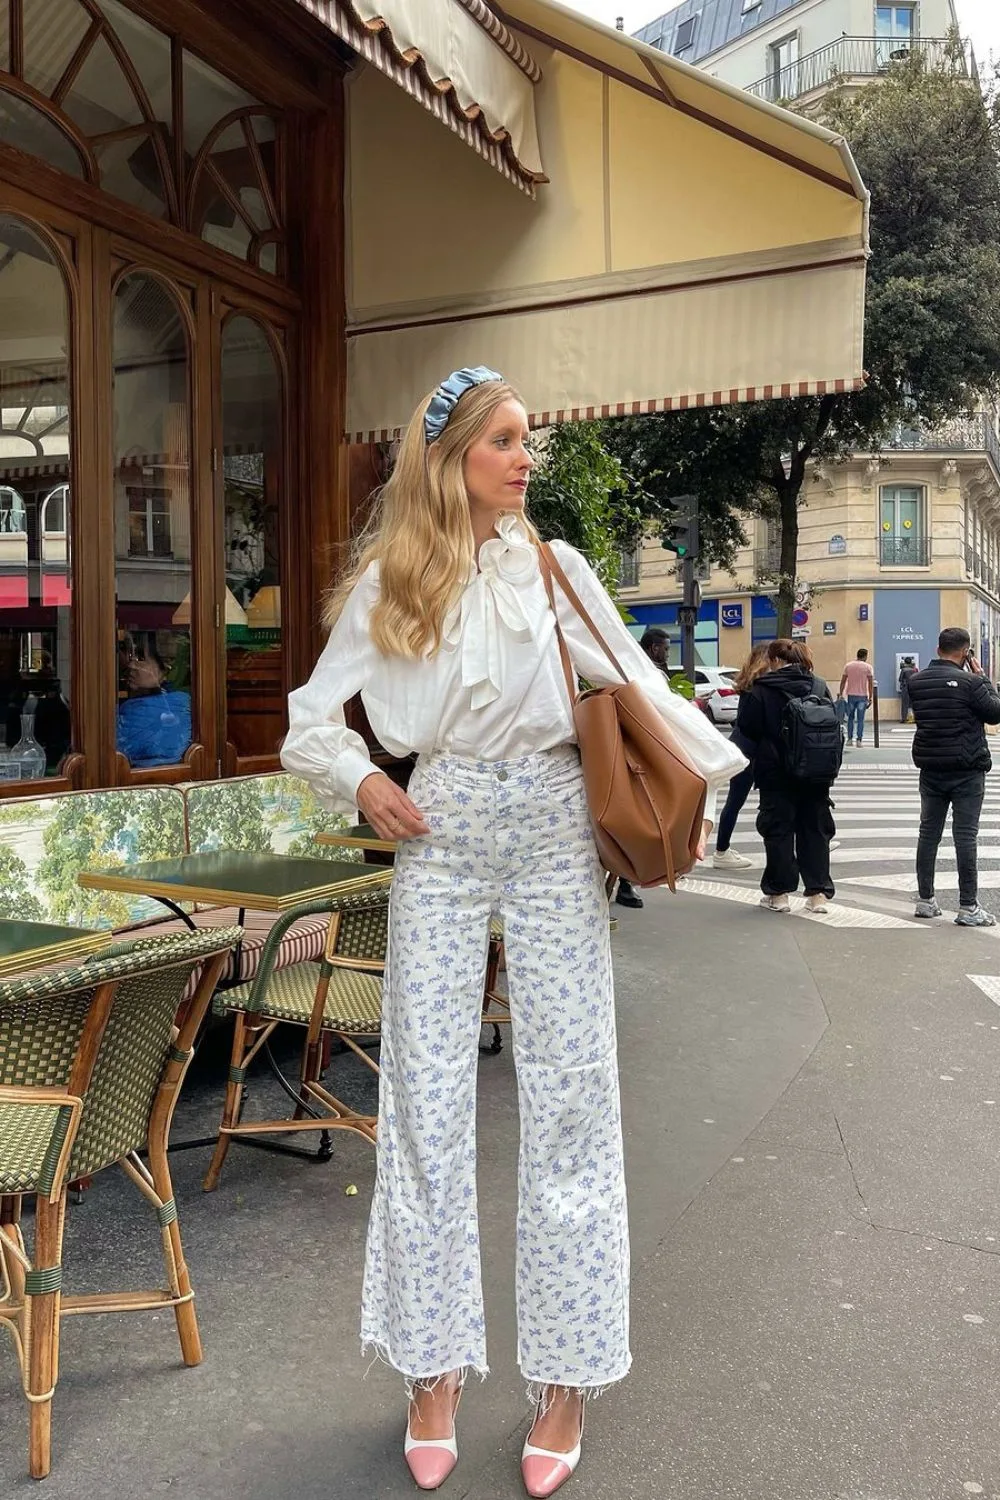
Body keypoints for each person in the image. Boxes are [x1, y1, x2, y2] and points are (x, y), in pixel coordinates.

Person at [280, 367, 745, 1497]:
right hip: (438, 825)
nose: (525, 457)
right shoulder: (392, 580)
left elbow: (633, 683)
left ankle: (567, 1377)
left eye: (528, 440)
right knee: (425, 1099)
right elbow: (306, 720)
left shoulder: (555, 569)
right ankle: (431, 1371)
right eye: (504, 440)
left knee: (573, 1094)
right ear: (450, 459)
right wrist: (360, 782)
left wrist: (717, 780)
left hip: (548, 826)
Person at [735, 638, 839, 914]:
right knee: (815, 831)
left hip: (776, 772)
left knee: (778, 830)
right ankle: (818, 894)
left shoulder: (762, 689)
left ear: (774, 661)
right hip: (815, 771)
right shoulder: (818, 685)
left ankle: (779, 894)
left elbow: (747, 728)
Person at [907, 626, 1000, 926]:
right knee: (965, 837)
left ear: (938, 650)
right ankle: (968, 907)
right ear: (965, 652)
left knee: (928, 834)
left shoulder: (916, 681)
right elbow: (995, 713)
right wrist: (983, 677)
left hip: (931, 769)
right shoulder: (972, 683)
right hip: (966, 770)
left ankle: (925, 900)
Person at [615, 628, 672, 909]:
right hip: (637, 753)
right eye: (665, 648)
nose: (667, 654)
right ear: (652, 648)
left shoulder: (646, 670)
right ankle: (625, 881)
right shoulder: (643, 673)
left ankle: (625, 881)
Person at [712, 642, 771, 870]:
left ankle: (722, 849)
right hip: (752, 750)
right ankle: (721, 851)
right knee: (744, 800)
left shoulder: (748, 683)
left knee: (735, 801)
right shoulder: (761, 685)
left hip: (741, 746)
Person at [116, 649, 191, 767]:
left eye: (141, 659)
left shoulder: (178, 706)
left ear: (164, 669)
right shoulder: (183, 701)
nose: (131, 665)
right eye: (131, 657)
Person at [838, 648, 873, 747]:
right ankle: (859, 740)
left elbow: (843, 681)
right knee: (861, 719)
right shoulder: (868, 667)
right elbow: (870, 683)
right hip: (862, 696)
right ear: (865, 656)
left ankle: (849, 739)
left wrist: (841, 693)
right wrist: (870, 697)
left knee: (850, 718)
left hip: (851, 695)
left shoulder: (848, 666)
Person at [898, 656, 917, 723]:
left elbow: (900, 679)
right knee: (913, 704)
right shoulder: (914, 669)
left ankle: (904, 718)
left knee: (904, 704)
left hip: (905, 687)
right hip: (913, 687)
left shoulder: (904, 670)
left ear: (905, 662)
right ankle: (915, 718)